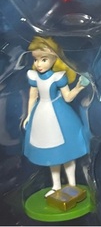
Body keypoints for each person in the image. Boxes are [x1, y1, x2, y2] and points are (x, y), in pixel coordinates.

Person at [23, 37, 89, 196]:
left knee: (67, 152)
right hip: (41, 116)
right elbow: (32, 97)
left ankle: (72, 185)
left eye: (43, 59)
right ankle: (56, 186)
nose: (39, 64)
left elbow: (68, 97)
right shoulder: (34, 76)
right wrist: (29, 115)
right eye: (36, 59)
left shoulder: (57, 77)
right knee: (52, 154)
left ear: (55, 58)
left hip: (59, 114)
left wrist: (79, 87)